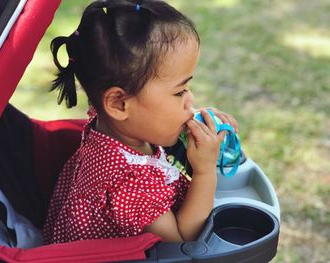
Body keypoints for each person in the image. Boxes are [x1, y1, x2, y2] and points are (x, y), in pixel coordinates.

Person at [43, 0, 238, 244]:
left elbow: (152, 117)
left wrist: (195, 122)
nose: (191, 100)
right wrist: (205, 170)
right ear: (119, 104)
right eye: (180, 92)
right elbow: (184, 240)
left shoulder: (116, 126)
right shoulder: (129, 184)